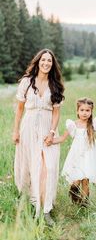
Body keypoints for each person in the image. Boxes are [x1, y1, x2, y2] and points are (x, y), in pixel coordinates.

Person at [12, 49, 64, 226]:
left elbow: (57, 113)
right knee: (30, 166)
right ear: (38, 61)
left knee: (48, 168)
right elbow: (19, 109)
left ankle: (47, 209)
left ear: (52, 64)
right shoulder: (27, 82)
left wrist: (51, 132)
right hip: (28, 128)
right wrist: (15, 130)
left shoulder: (55, 84)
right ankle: (34, 206)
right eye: (43, 60)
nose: (46, 63)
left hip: (47, 130)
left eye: (49, 61)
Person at [53, 97, 96, 207]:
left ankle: (85, 203)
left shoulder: (94, 124)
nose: (84, 113)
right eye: (82, 110)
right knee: (76, 181)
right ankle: (74, 198)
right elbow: (62, 138)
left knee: (86, 180)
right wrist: (51, 140)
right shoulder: (73, 124)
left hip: (89, 155)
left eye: (87, 110)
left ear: (91, 111)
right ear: (77, 111)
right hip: (76, 156)